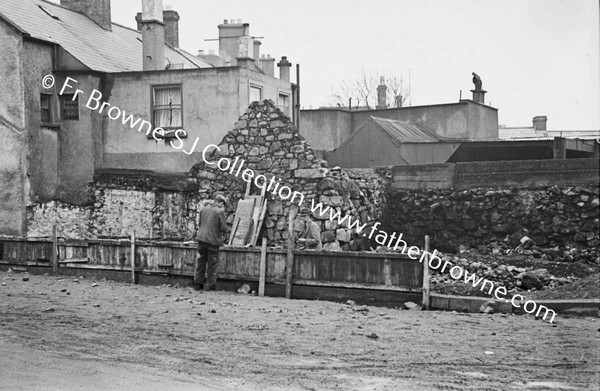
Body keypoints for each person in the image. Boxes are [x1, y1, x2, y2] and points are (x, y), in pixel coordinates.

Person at [192, 194, 230, 291]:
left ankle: (198, 284)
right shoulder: (220, 211)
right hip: (213, 241)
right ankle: (210, 285)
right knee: (212, 264)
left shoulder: (203, 209)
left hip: (201, 239)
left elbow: (200, 223)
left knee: (200, 262)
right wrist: (229, 230)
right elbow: (223, 227)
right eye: (223, 204)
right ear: (221, 202)